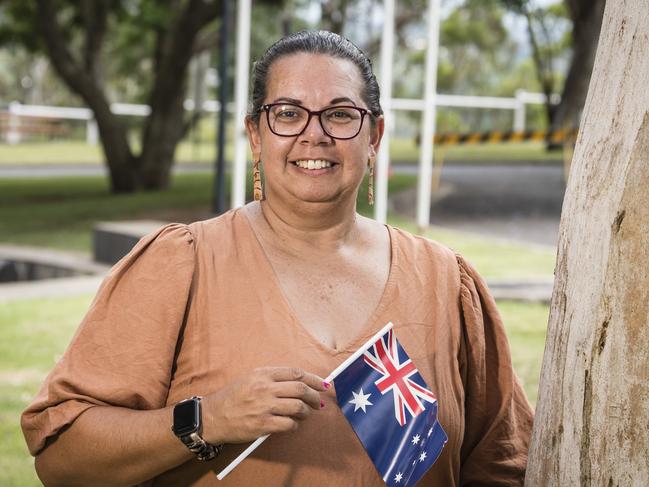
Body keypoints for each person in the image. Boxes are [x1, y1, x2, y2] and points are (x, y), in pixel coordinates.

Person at [22, 30, 533, 486]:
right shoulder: (183, 264)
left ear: (374, 137)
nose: (315, 134)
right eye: (287, 113)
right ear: (255, 135)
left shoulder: (444, 280)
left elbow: (503, 461)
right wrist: (208, 419)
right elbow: (63, 459)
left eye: (340, 114)